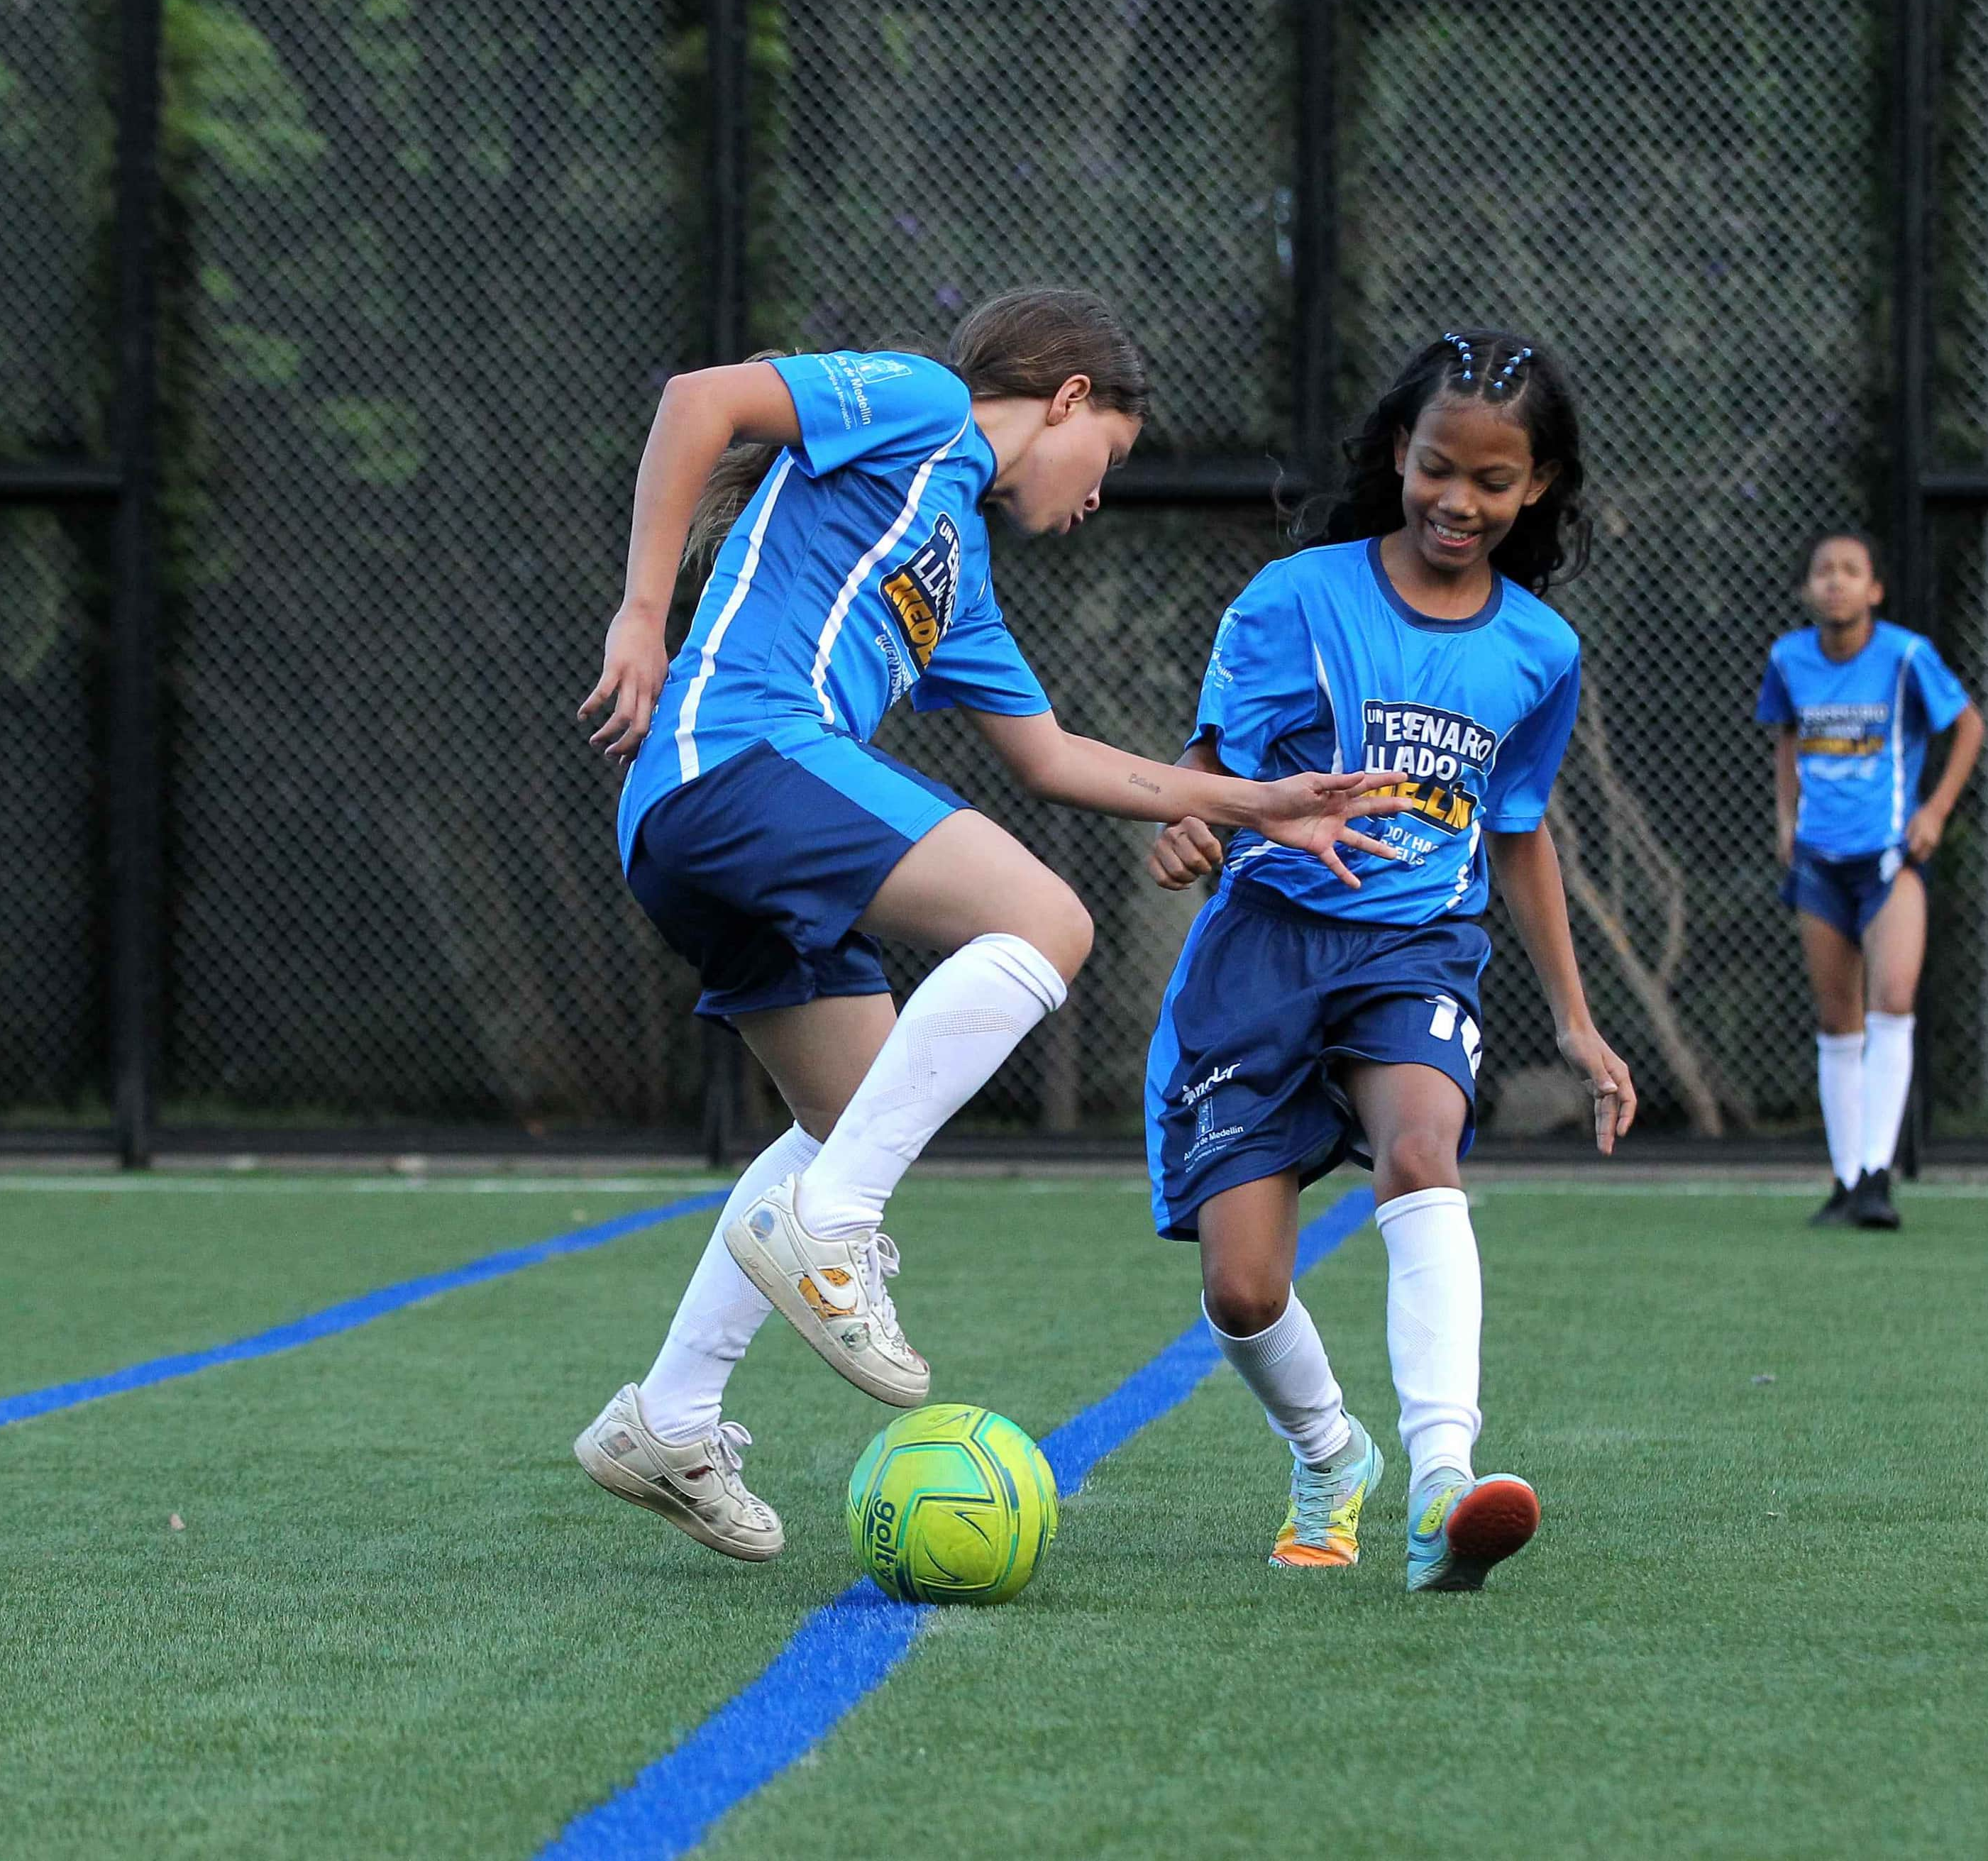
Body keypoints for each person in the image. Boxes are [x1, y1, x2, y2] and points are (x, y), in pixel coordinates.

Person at [573, 289, 1408, 1561]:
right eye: (1110, 459)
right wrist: (643, 610)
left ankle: (671, 1416)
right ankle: (835, 1227)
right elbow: (701, 398)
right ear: (1068, 398)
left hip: (698, 830)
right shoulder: (920, 404)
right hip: (729, 752)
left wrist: (1257, 801)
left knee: (841, 1118)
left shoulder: (956, 575)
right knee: (1048, 918)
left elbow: (1057, 757)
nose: (1097, 494)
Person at [1141, 330, 1635, 1592]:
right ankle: (1330, 1451)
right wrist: (1193, 819)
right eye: (1436, 470)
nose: (1458, 502)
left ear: (1538, 489)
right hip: (1262, 952)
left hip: (1417, 945)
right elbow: (1208, 768)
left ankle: (1443, 1480)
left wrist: (1577, 1022)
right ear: (1397, 459)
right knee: (1246, 1286)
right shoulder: (1294, 599)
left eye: (1492, 480)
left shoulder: (1540, 651)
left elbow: (1517, 835)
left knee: (1423, 1148)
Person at [1757, 531, 1984, 1230]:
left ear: (1874, 590)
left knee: (1892, 1000)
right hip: (1820, 862)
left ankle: (1878, 1177)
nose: (1836, 582)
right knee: (1837, 1019)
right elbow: (1786, 737)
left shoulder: (1905, 656)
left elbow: (1969, 725)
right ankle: (1846, 1177)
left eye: (1851, 571)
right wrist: (1785, 818)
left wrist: (1936, 812)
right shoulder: (1789, 659)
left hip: (1889, 858)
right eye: (1823, 571)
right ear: (1806, 590)